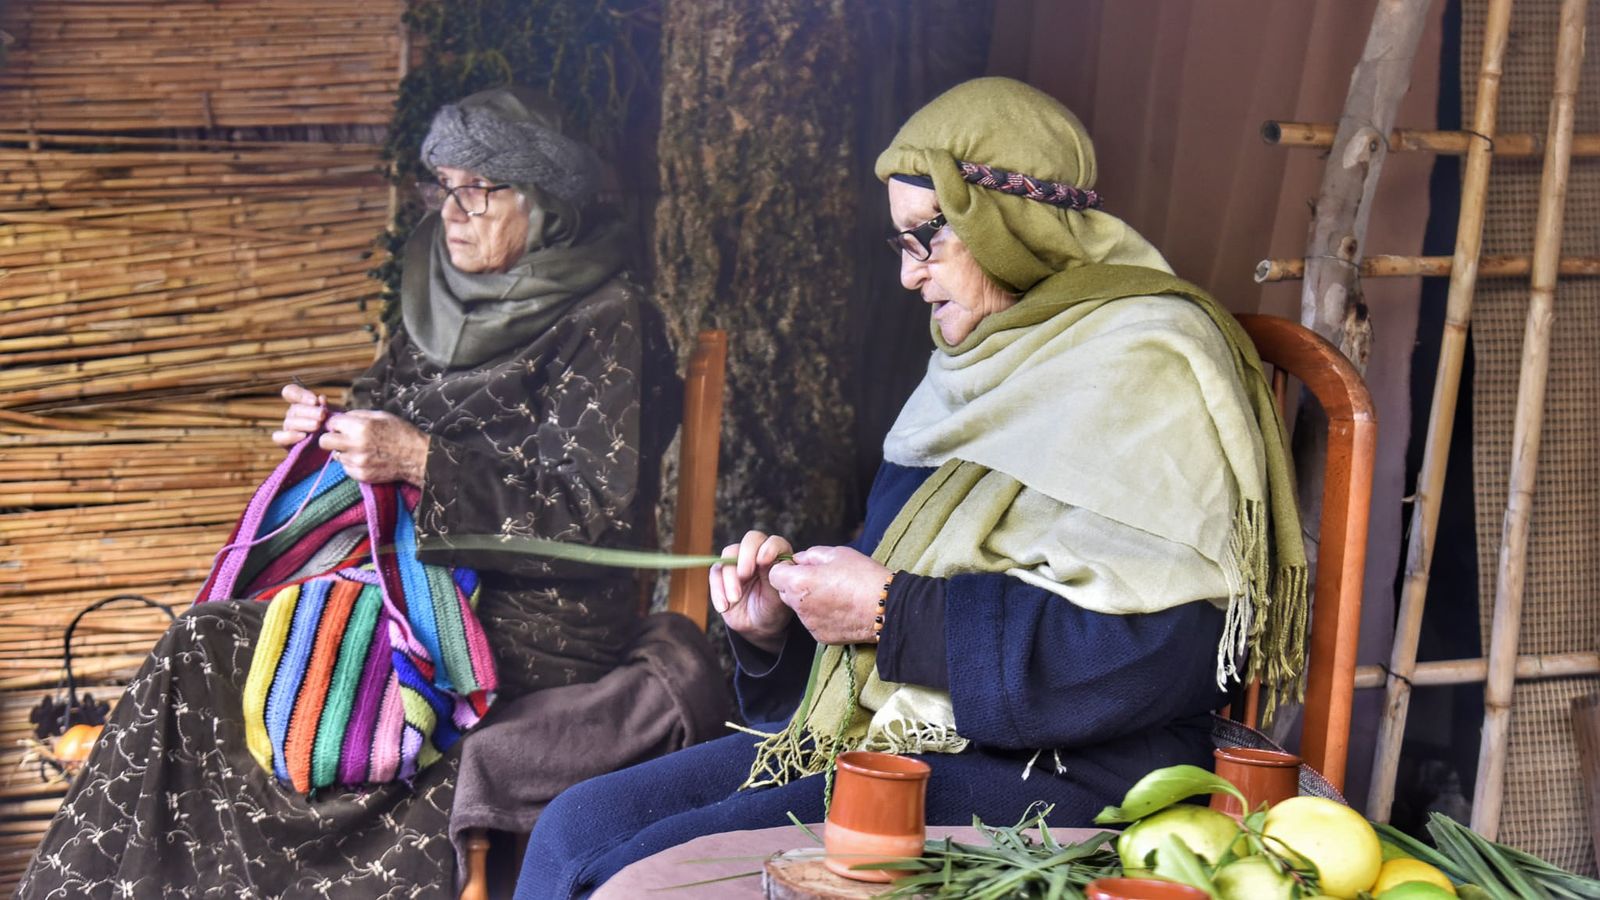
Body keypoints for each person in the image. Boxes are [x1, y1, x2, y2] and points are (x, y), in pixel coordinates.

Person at [511, 76, 1308, 899]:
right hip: (902, 737)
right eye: (899, 245)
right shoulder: (972, 366)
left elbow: (1163, 660)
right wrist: (777, 630)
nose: (908, 277)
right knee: (577, 827)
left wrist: (895, 614)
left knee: (638, 882)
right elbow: (886, 584)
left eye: (925, 238)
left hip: (1069, 771)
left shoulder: (1152, 363)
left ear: (1003, 221)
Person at [19, 87, 727, 899]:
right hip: (400, 582)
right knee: (204, 642)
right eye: (443, 187)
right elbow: (380, 410)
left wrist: (423, 461)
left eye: (478, 190)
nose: (452, 212)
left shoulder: (607, 319)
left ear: (542, 204)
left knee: (336, 679)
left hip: (534, 616)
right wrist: (333, 429)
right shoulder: (434, 299)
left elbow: (595, 514)